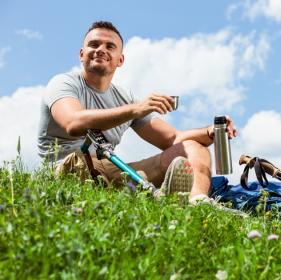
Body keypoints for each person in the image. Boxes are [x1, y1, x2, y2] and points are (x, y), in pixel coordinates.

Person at [37, 21, 237, 203]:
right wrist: (135, 109)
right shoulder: (63, 83)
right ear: (82, 54)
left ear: (120, 60)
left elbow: (172, 138)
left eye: (110, 46)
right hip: (71, 167)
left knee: (193, 147)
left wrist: (210, 132)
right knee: (82, 166)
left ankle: (197, 204)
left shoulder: (124, 97)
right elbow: (73, 123)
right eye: (94, 44)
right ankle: (156, 194)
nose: (100, 50)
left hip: (110, 168)